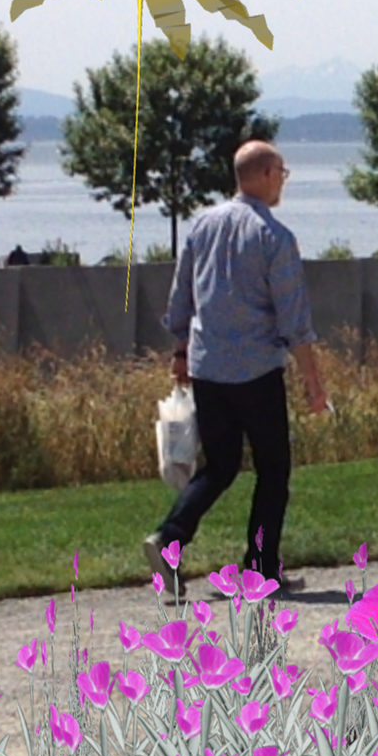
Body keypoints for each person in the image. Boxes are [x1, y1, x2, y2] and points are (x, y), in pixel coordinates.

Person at [146, 140, 330, 600]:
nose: (282, 182)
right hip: (256, 371)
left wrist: (181, 352)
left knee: (220, 466)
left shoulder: (202, 225)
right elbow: (294, 321)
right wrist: (314, 384)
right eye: (282, 173)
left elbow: (181, 298)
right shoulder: (275, 237)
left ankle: (169, 538)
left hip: (209, 368)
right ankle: (261, 567)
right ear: (266, 174)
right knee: (272, 470)